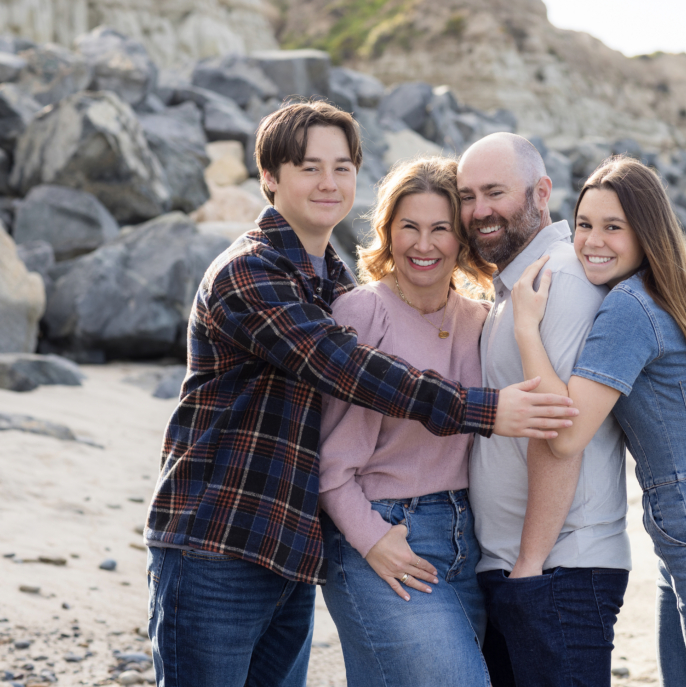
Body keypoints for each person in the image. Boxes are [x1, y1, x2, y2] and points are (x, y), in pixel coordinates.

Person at [144, 102, 578, 687]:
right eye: (309, 167)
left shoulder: (331, 279)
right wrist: (486, 411)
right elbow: (348, 369)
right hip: (216, 541)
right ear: (270, 177)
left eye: (342, 167)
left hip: (288, 548)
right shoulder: (249, 273)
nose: (329, 182)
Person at [511, 156, 686, 687]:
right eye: (585, 224)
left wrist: (526, 329)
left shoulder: (630, 310)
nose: (593, 240)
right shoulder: (658, 295)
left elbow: (567, 436)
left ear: (646, 233)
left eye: (613, 227)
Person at [458, 133, 632, 687]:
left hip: (557, 572)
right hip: (521, 569)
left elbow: (557, 429)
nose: (479, 211)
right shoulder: (515, 289)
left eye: (494, 192)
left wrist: (529, 569)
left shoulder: (563, 278)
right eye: (466, 196)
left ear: (541, 192)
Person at [317, 156, 494, 686]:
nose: (424, 245)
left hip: (469, 540)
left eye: (440, 228)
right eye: (409, 227)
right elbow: (331, 464)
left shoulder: (481, 321)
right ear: (387, 232)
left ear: (461, 238)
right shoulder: (359, 313)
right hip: (385, 532)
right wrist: (372, 538)